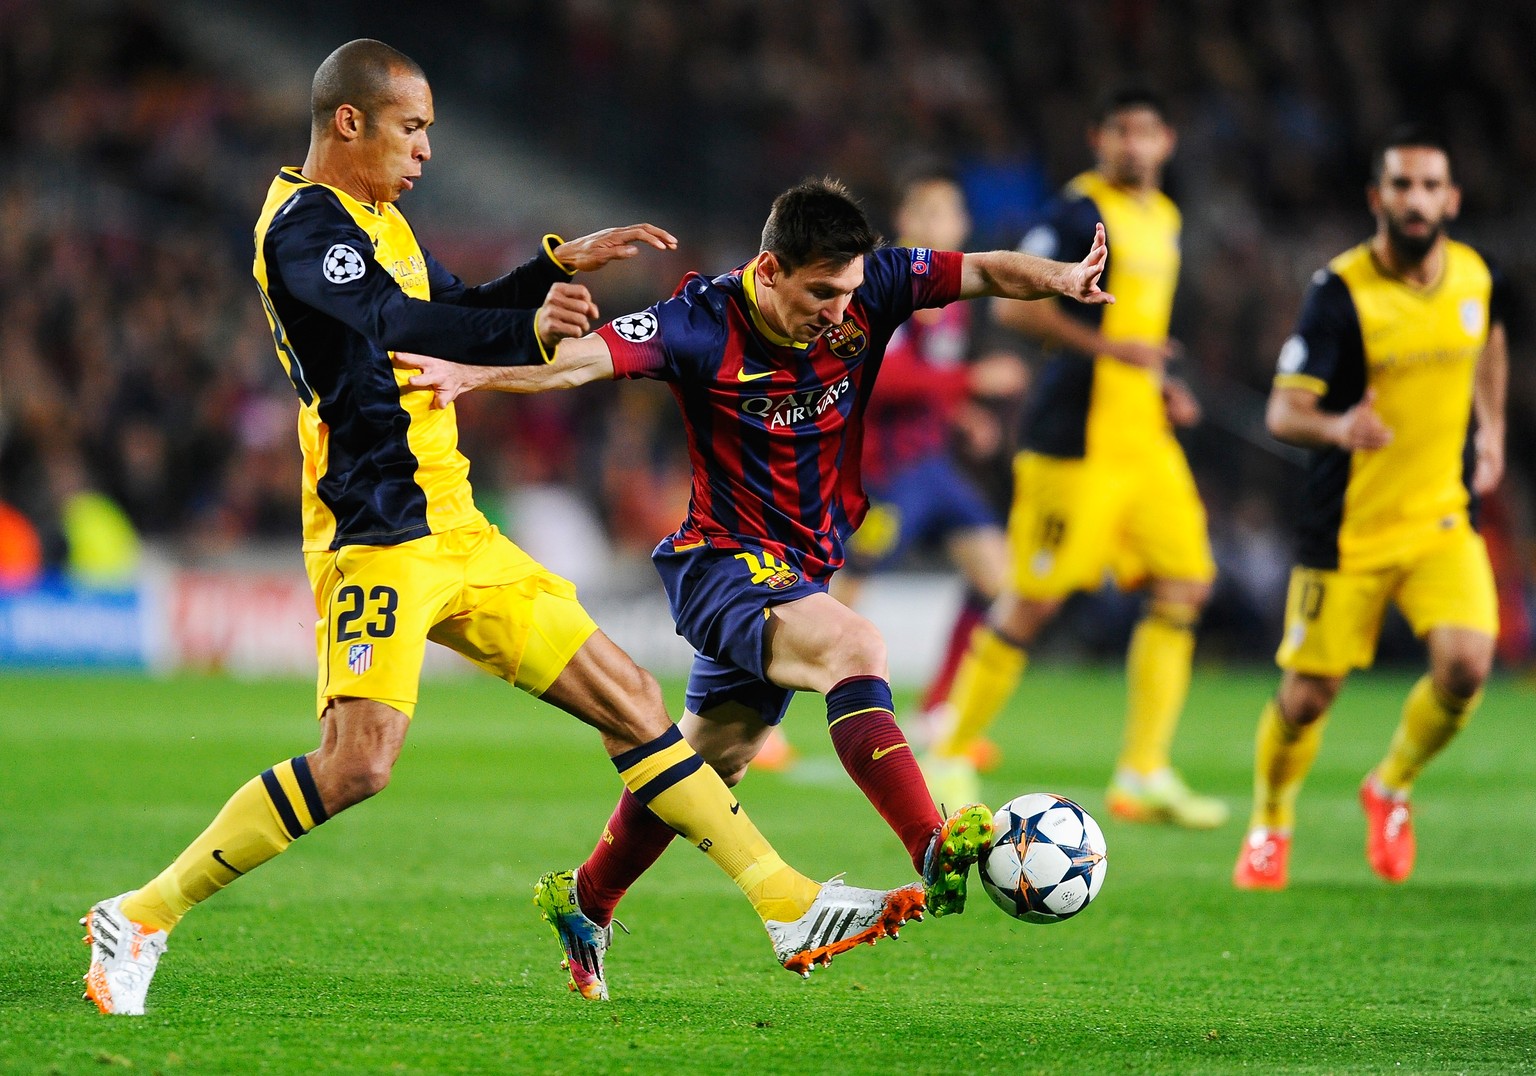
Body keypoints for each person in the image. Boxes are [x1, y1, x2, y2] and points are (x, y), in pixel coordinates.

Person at [80, 40, 918, 1017]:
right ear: (349, 122)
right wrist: (526, 335)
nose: (427, 149)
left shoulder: (379, 220)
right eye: (412, 127)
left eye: (432, 129)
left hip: (458, 522)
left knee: (630, 693)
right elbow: (396, 322)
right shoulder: (304, 229)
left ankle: (787, 900)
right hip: (378, 529)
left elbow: (455, 304)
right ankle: (140, 912)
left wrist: (551, 266)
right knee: (358, 763)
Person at [398, 176, 1113, 1000]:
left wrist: (1057, 279)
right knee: (854, 645)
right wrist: (474, 375)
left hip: (803, 563)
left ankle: (585, 900)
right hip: (723, 562)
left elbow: (982, 271)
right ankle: (930, 842)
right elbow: (579, 365)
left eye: (849, 293)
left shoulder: (871, 283)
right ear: (769, 268)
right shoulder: (699, 321)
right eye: (820, 293)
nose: (840, 313)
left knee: (705, 767)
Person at [922, 87, 1227, 828]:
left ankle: (1144, 772)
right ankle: (951, 750)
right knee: (1032, 600)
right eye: (1120, 131)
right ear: (1098, 137)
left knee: (1185, 583)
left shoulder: (1166, 219)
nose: (1133, 145)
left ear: (1168, 141)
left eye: (1147, 130)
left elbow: (1139, 334)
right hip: (1074, 443)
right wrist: (1111, 351)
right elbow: (1015, 306)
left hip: (1142, 442)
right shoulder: (1072, 213)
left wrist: (1156, 386)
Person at [1232, 127, 1507, 889]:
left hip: (1441, 519)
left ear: (1449, 198)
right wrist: (1338, 427)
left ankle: (1389, 786)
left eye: (1429, 186)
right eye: (1401, 186)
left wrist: (1492, 427)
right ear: (1377, 198)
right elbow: (1284, 413)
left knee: (1466, 665)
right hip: (1348, 531)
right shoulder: (1340, 294)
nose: (1416, 200)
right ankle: (1270, 821)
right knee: (1309, 695)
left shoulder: (1476, 276)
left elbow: (1490, 343)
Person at [756, 169, 1025, 774]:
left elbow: (923, 380)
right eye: (923, 214)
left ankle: (938, 713)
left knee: (995, 573)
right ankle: (764, 721)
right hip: (881, 472)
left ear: (962, 226)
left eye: (946, 214)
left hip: (932, 468)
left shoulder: (949, 305)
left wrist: (960, 411)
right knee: (835, 598)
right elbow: (879, 382)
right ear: (904, 224)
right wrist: (971, 381)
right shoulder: (884, 288)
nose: (935, 226)